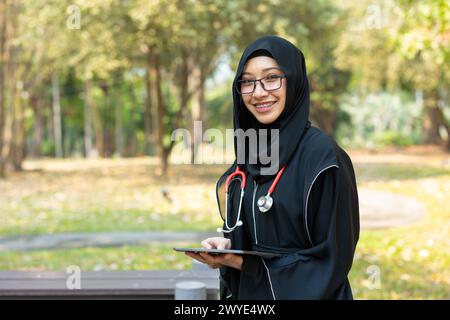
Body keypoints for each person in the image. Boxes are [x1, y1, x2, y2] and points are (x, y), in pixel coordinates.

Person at [185, 35, 360, 300]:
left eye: (271, 78)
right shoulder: (248, 155)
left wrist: (243, 263)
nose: (258, 92)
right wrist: (229, 248)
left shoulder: (324, 159)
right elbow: (262, 235)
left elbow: (330, 260)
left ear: (295, 81)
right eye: (247, 81)